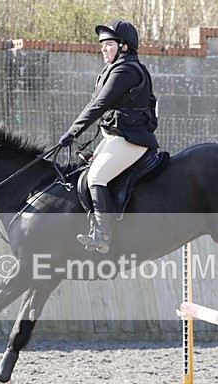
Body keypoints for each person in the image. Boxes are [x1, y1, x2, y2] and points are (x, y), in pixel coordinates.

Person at [59, 20, 159, 254]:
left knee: (97, 177)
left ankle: (103, 237)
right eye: (102, 44)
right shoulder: (113, 68)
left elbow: (100, 104)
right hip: (116, 137)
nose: (103, 48)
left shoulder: (126, 70)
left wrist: (73, 132)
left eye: (109, 44)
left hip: (132, 140)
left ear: (124, 46)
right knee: (88, 169)